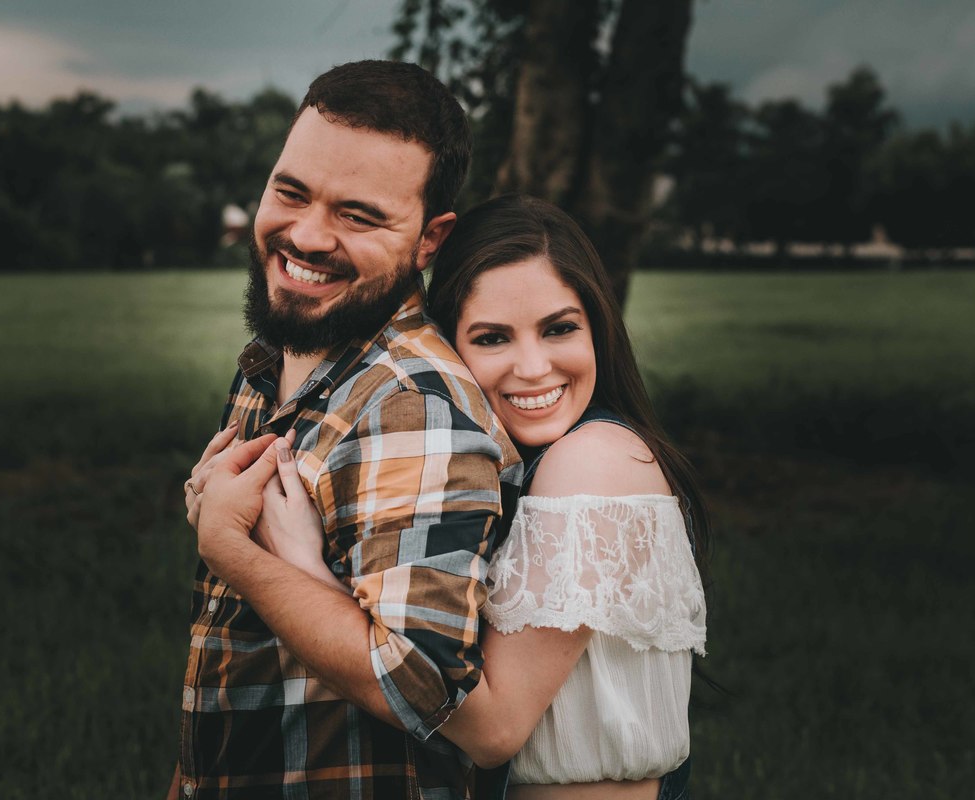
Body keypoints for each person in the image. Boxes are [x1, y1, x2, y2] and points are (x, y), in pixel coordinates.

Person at [215, 194, 710, 800]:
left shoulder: (594, 462)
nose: (532, 367)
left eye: (559, 329)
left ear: (598, 327)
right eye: (493, 338)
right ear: (451, 349)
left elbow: (493, 729)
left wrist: (294, 564)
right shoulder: (522, 466)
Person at [171, 61, 522, 800]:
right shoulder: (278, 355)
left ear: (430, 239)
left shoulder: (413, 403)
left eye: (359, 216)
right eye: (289, 192)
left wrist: (231, 549)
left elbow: (423, 683)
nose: (305, 235)